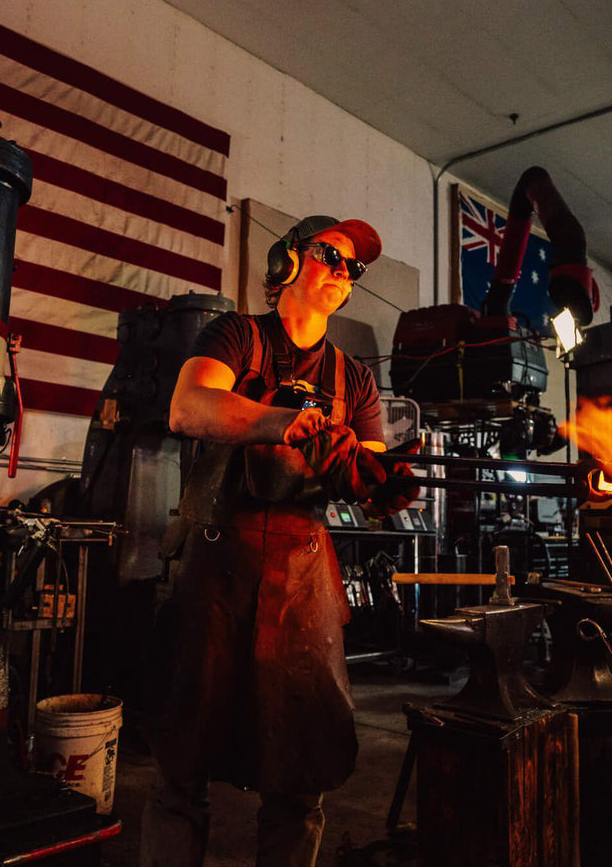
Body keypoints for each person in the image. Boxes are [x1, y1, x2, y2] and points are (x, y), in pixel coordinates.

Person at [140, 215, 415, 867]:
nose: (342, 272)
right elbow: (190, 406)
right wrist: (285, 422)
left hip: (302, 580)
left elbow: (365, 465)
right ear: (289, 260)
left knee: (301, 777)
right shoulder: (237, 335)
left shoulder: (355, 380)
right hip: (216, 571)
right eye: (329, 254)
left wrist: (372, 477)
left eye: (354, 267)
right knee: (181, 771)